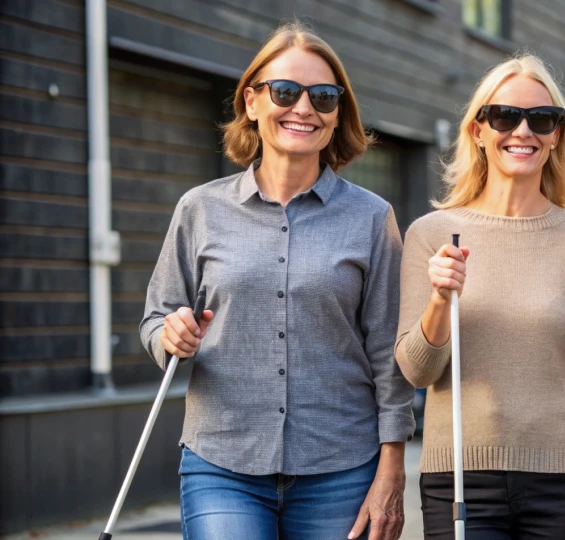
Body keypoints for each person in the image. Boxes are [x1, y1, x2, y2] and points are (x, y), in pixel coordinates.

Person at [140, 22, 412, 540]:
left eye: (324, 97)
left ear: (338, 114)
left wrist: (392, 467)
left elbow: (387, 351)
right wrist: (168, 335)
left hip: (341, 464)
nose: (304, 109)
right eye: (286, 92)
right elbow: (156, 317)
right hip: (222, 459)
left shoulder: (372, 218)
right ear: (252, 101)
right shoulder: (200, 209)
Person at [394, 54, 565, 539]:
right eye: (505, 116)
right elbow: (417, 371)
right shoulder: (431, 234)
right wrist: (439, 298)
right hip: (459, 479)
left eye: (542, 119)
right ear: (478, 130)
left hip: (564, 483)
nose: (524, 131)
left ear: (557, 134)